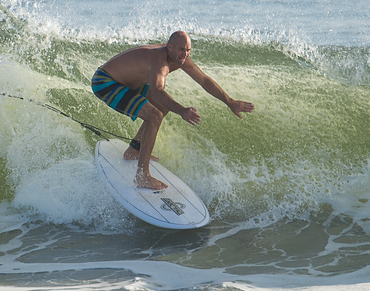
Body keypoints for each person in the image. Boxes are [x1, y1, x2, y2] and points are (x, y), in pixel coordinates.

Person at [92, 31, 255, 190]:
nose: (185, 54)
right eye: (181, 49)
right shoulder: (160, 60)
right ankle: (142, 175)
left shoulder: (180, 58)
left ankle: (134, 149)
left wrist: (230, 102)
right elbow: (156, 92)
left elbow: (204, 80)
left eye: (188, 50)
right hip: (106, 82)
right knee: (155, 116)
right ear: (169, 47)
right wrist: (182, 111)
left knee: (163, 106)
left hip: (128, 82)